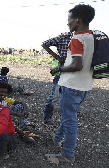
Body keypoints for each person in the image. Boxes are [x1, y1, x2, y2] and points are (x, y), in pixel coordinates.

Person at [45, 4, 95, 164]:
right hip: (85, 86)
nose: (68, 23)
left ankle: (67, 155)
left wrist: (58, 69)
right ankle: (57, 139)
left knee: (69, 120)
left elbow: (76, 65)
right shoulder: (93, 37)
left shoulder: (77, 38)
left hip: (71, 86)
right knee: (69, 115)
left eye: (70, 20)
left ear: (77, 20)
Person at [41, 32, 73, 125]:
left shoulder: (81, 38)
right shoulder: (64, 37)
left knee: (70, 97)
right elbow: (44, 44)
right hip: (61, 72)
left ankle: (68, 119)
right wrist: (57, 57)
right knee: (53, 97)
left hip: (73, 73)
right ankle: (47, 118)